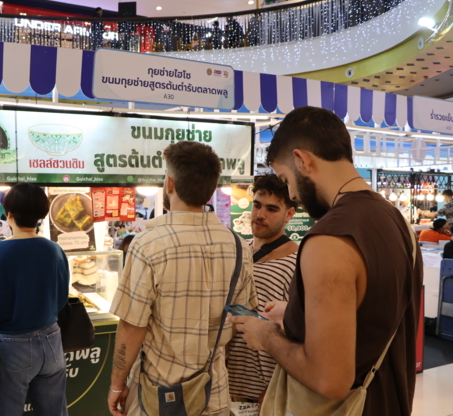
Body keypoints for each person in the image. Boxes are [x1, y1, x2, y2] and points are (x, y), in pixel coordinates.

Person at [229, 106, 423, 416]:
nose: (292, 194)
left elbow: (330, 379)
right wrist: (295, 314)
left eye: (286, 179)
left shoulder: (329, 239)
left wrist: (267, 337)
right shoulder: (398, 223)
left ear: (302, 160)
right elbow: (372, 318)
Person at [107, 141, 257, 416]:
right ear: (212, 188)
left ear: (169, 184)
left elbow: (132, 327)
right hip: (213, 392)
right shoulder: (238, 246)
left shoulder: (148, 244)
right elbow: (240, 318)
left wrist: (117, 384)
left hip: (159, 394)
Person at [0, 183, 69, 416]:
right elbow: (62, 298)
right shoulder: (54, 249)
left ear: (9, 214)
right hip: (52, 338)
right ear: (42, 214)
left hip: (12, 344)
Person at [227, 174, 298, 402]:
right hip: (227, 385)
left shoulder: (297, 262)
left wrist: (272, 392)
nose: (260, 214)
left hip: (267, 392)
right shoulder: (239, 252)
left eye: (271, 209)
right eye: (257, 205)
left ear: (289, 214)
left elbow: (301, 333)